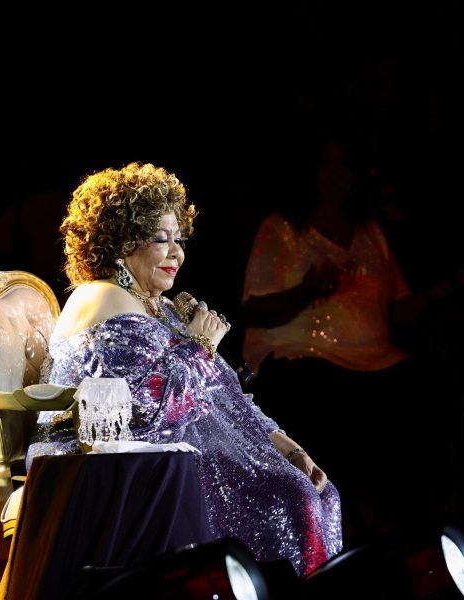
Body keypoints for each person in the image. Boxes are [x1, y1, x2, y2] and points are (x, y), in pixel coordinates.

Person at [28, 162, 342, 577]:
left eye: (179, 239)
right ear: (120, 241)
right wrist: (199, 346)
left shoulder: (156, 305)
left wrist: (286, 446)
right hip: (116, 468)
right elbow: (148, 411)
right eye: (161, 239)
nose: (177, 252)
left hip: (172, 455)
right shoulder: (105, 298)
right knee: (290, 498)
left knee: (308, 489)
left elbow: (225, 397)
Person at [241, 136, 437, 541]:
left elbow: (399, 309)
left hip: (376, 360)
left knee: (421, 392)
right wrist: (306, 291)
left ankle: (406, 538)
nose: (337, 176)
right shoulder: (283, 228)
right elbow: (254, 308)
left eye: (344, 165)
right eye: (327, 165)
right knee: (328, 402)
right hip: (304, 359)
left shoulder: (371, 231)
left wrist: (448, 287)